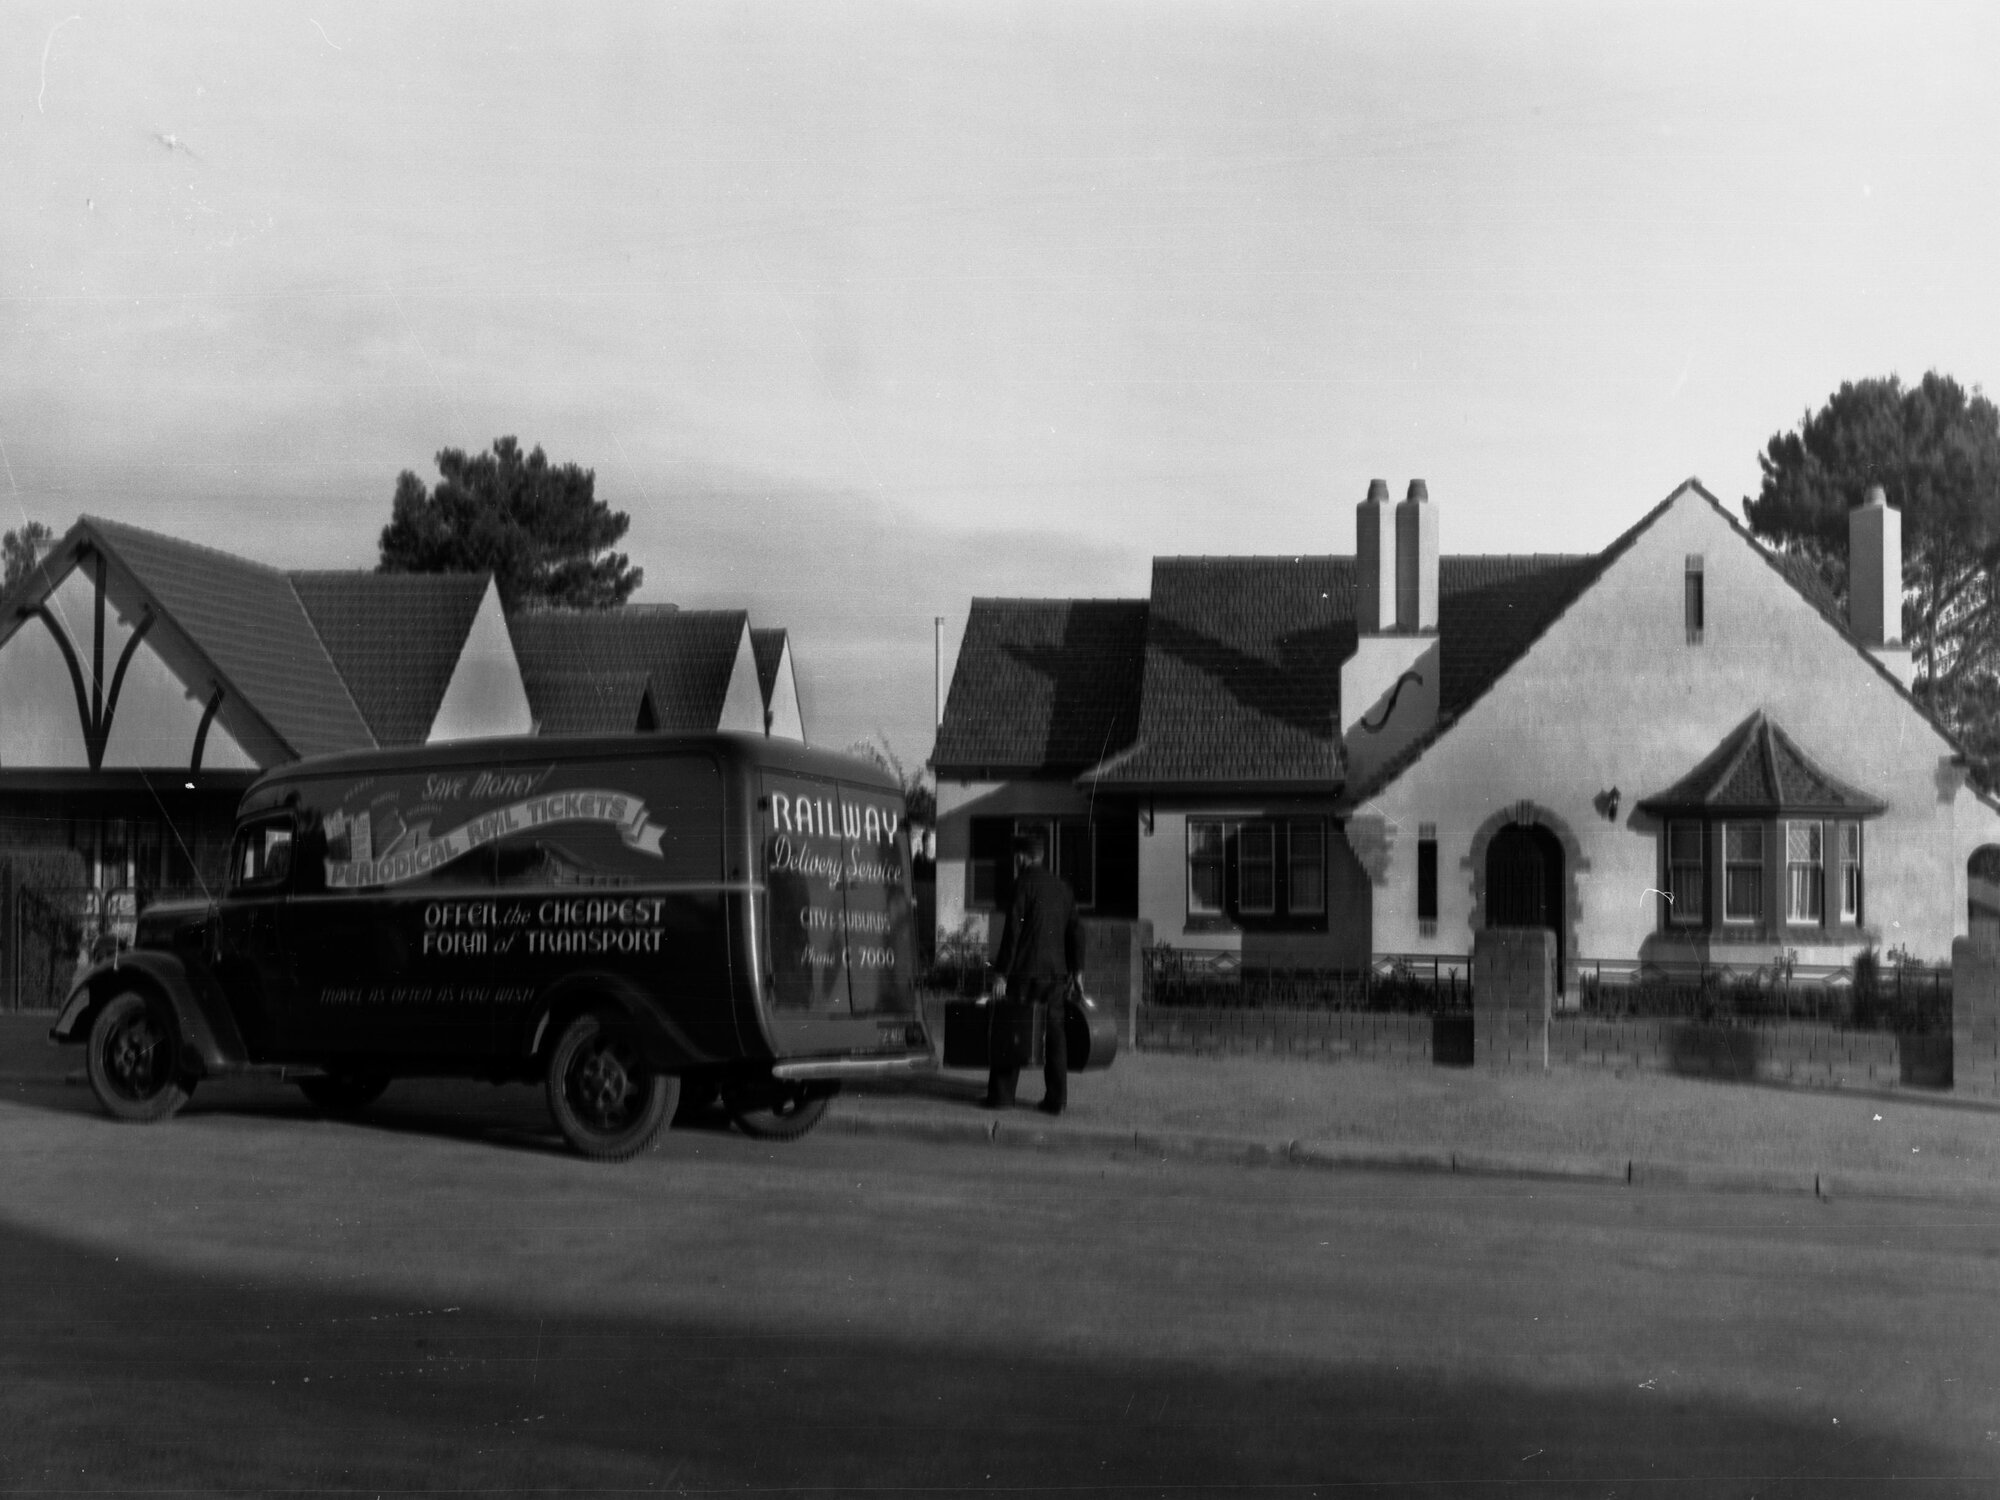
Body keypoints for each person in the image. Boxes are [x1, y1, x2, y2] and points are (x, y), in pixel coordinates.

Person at [985, 827, 1083, 1114]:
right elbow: (1076, 931)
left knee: (1011, 1028)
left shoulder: (1022, 885)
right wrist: (1077, 970)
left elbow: (1012, 933)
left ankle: (1002, 1096)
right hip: (1055, 974)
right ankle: (1057, 1099)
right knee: (1055, 1035)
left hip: (1024, 973)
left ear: (1021, 857)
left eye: (1015, 857)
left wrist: (1001, 974)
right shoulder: (1062, 888)